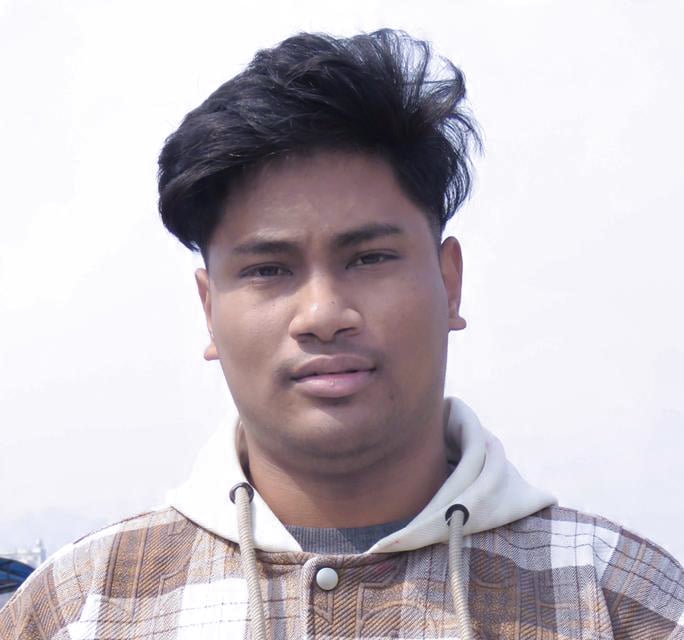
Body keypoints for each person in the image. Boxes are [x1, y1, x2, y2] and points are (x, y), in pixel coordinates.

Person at [1, 28, 682, 640]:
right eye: (269, 269)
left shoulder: (623, 603)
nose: (324, 313)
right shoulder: (77, 608)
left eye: (370, 258)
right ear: (209, 309)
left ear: (450, 282)